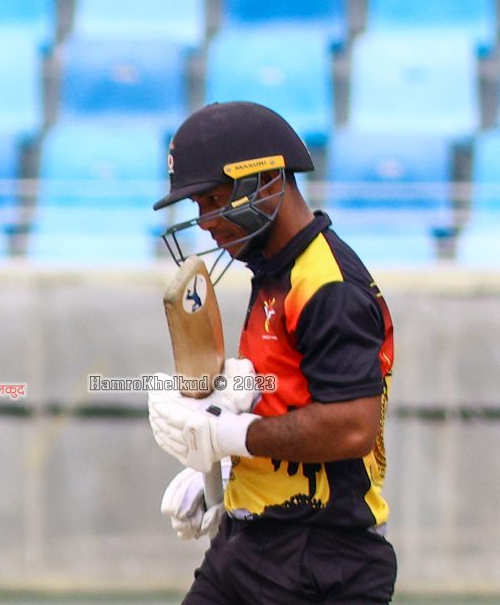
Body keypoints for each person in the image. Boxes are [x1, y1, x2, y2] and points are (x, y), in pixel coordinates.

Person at [147, 101, 396, 604]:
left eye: (213, 200)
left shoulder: (326, 285)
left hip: (322, 560)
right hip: (251, 546)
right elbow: (287, 401)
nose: (205, 222)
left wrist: (226, 435)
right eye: (197, 206)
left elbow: (352, 426)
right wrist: (225, 476)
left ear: (264, 183)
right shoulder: (273, 270)